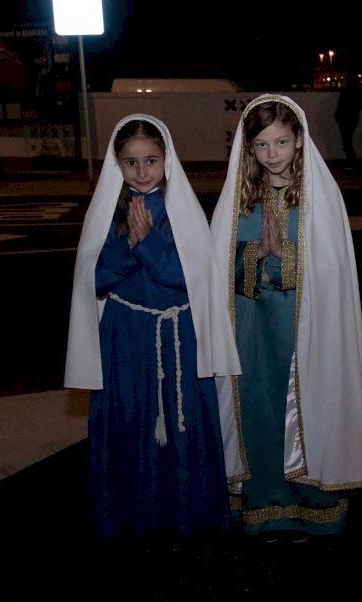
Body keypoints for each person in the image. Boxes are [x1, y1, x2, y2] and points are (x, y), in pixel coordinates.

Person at [65, 115, 240, 537]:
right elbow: (96, 279)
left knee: (184, 420)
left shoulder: (183, 210)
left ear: (166, 160)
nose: (142, 172)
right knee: (131, 418)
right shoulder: (108, 212)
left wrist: (148, 243)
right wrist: (130, 243)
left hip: (178, 330)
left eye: (151, 161)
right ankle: (133, 510)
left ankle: (188, 510)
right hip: (126, 334)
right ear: (117, 164)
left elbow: (189, 278)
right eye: (131, 162)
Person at [210, 95, 362, 542]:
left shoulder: (320, 197)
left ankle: (313, 504)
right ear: (249, 148)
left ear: (299, 140)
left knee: (311, 409)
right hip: (253, 331)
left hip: (307, 333)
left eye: (281, 142)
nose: (272, 154)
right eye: (261, 145)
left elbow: (332, 273)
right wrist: (257, 256)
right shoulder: (241, 201)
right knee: (259, 411)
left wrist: (285, 258)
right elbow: (218, 273)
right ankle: (264, 504)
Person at [334, 74, 362, 162]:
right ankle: (351, 159)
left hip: (345, 118)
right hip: (351, 118)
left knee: (346, 140)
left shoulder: (345, 91)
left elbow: (341, 105)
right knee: (347, 140)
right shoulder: (357, 92)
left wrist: (338, 115)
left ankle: (351, 159)